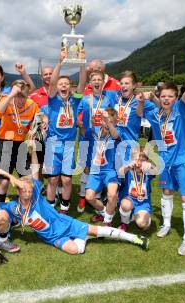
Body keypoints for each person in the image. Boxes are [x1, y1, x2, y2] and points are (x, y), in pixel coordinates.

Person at [0, 156, 149, 255]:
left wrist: (33, 149)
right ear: (19, 192)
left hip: (66, 223)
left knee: (99, 230)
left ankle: (135, 238)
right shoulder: (14, 207)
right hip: (53, 237)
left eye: (29, 190)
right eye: (24, 191)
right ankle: (84, 238)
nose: (27, 193)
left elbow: (35, 169)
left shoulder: (36, 198)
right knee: (75, 250)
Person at [140, 53, 185, 256]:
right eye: (163, 95)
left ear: (175, 98)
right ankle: (166, 225)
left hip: (184, 160)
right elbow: (141, 112)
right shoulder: (155, 115)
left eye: (170, 96)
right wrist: (143, 99)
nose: (166, 99)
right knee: (166, 193)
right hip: (165, 161)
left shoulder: (181, 109)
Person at [43, 49, 86, 214]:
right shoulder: (53, 99)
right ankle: (50, 208)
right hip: (53, 144)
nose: (63, 86)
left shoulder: (74, 100)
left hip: (68, 144)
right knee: (53, 179)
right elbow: (52, 82)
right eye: (61, 84)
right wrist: (59, 63)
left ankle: (64, 209)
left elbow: (82, 83)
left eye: (66, 84)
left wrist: (82, 63)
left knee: (67, 179)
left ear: (70, 88)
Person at [0, 79, 45, 203]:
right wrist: (11, 95)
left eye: (23, 97)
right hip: (6, 143)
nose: (20, 100)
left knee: (27, 177)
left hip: (21, 144)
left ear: (27, 95)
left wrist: (43, 122)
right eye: (17, 96)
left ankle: (29, 205)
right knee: (4, 180)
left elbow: (41, 117)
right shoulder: (7, 100)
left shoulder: (31, 104)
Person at [77, 70, 117, 218]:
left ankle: (103, 198)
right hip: (88, 136)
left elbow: (115, 115)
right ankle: (83, 197)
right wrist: (80, 123)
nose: (97, 82)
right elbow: (75, 112)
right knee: (87, 167)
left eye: (99, 79)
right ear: (90, 82)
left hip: (105, 137)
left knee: (105, 165)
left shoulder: (109, 99)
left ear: (103, 82)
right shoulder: (85, 99)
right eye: (94, 79)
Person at [79, 108, 121, 226]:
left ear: (115, 123)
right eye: (104, 120)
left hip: (110, 170)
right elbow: (86, 142)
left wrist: (109, 123)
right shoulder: (94, 131)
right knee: (89, 197)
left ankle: (107, 221)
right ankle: (105, 212)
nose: (107, 123)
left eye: (111, 121)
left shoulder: (117, 132)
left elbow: (115, 135)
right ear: (101, 120)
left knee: (112, 195)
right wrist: (80, 125)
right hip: (95, 170)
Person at [117, 149, 160, 231]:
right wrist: (128, 166)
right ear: (132, 160)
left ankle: (137, 215)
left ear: (146, 161)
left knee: (142, 225)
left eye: (143, 161)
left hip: (142, 203)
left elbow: (157, 171)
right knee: (126, 205)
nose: (139, 163)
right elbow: (120, 172)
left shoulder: (147, 172)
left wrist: (151, 165)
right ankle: (124, 223)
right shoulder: (128, 170)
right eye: (137, 160)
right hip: (128, 199)